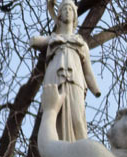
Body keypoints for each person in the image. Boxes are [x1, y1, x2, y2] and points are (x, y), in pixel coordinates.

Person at [30, 1, 101, 142]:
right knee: (54, 116)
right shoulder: (53, 38)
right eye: (65, 9)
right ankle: (54, 152)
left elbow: (88, 71)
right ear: (59, 15)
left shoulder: (81, 43)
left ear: (75, 16)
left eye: (70, 9)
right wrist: (40, 40)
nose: (68, 11)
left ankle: (84, 154)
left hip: (75, 80)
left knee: (77, 118)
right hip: (55, 78)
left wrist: (96, 89)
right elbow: (34, 41)